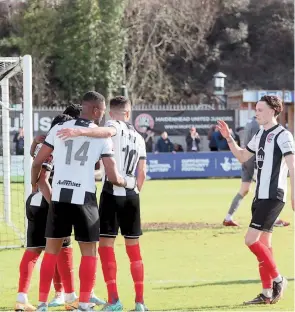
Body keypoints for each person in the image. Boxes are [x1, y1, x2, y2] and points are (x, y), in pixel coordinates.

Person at [32, 91, 135, 312]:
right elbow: (113, 174)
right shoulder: (101, 137)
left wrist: (34, 183)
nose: (105, 113)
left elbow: (38, 162)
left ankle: (41, 304)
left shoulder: (58, 129)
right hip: (84, 198)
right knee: (89, 252)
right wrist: (128, 182)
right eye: (104, 109)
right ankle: (85, 303)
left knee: (51, 250)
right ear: (96, 111)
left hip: (59, 197)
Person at [57, 95, 148, 311]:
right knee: (133, 248)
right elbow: (142, 172)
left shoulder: (113, 125)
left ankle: (114, 300)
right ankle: (140, 302)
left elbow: (107, 132)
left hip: (111, 192)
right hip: (132, 194)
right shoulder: (139, 137)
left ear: (111, 113)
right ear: (128, 112)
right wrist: (134, 189)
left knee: (106, 247)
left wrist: (80, 131)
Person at [217, 95, 294, 305]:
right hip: (260, 195)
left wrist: (294, 194)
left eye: (260, 109)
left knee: (250, 240)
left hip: (274, 196)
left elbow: (293, 166)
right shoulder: (260, 134)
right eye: (256, 109)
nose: (256, 113)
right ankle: (267, 293)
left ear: (272, 111)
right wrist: (229, 138)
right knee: (263, 244)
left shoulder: (283, 135)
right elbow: (243, 156)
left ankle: (279, 279)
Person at [15, 114, 76, 312]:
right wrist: (56, 206)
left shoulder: (43, 144)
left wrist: (33, 142)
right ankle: (69, 298)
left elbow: (35, 159)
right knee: (64, 246)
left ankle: (21, 298)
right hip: (47, 203)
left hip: (33, 202)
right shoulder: (55, 145)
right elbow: (43, 179)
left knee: (33, 250)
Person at [223, 116, 290, 228]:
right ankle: (272, 218)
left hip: (247, 160)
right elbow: (259, 146)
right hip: (253, 161)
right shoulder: (259, 126)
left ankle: (228, 217)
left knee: (244, 190)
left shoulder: (250, 123)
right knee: (265, 188)